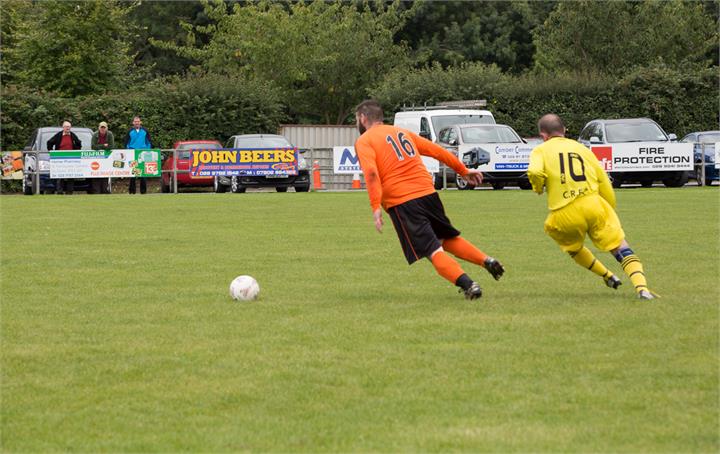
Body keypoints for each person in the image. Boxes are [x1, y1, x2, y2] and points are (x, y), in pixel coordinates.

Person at [353, 100, 504, 300]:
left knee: (432, 250)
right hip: (428, 194)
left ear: (363, 118)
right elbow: (436, 150)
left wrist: (375, 206)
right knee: (445, 239)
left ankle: (468, 285)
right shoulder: (401, 132)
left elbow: (371, 173)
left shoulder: (364, 141)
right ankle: (486, 260)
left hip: (403, 201)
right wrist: (462, 170)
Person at [527, 113, 657, 300]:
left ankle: (607, 275)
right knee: (620, 247)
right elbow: (604, 182)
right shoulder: (583, 149)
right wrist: (609, 209)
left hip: (564, 212)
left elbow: (534, 171)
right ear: (564, 130)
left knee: (573, 248)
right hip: (592, 204)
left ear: (543, 135)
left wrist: (538, 186)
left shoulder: (540, 150)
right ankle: (642, 288)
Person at [47, 120, 82, 195]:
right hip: (59, 158)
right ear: (63, 127)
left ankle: (69, 191)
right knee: (60, 175)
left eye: (69, 127)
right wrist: (51, 152)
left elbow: (79, 143)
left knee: (71, 175)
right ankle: (60, 191)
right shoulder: (59, 135)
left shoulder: (73, 135)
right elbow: (49, 142)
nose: (67, 128)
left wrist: (76, 151)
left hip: (71, 159)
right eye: (66, 127)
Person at [124, 116, 152, 194]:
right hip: (132, 154)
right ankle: (132, 192)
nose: (137, 123)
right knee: (132, 174)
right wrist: (129, 151)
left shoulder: (145, 131)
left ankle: (143, 192)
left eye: (138, 121)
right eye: (135, 121)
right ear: (133, 123)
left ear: (140, 122)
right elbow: (126, 143)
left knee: (143, 174)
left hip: (143, 155)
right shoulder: (129, 131)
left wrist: (147, 151)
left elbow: (149, 142)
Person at [90, 121, 115, 194]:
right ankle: (96, 191)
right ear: (99, 128)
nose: (102, 129)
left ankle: (105, 190)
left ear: (106, 128)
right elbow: (93, 146)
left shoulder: (110, 134)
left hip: (106, 158)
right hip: (96, 158)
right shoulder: (95, 134)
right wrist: (104, 145)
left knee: (105, 173)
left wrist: (99, 147)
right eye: (101, 127)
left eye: (104, 128)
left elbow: (111, 146)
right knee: (95, 173)